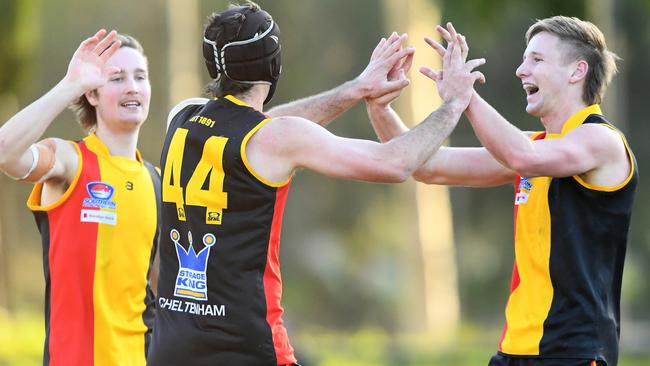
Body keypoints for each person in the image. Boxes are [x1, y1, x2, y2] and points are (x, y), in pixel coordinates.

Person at [147, 2, 485, 365]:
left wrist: (356, 90)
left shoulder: (181, 118)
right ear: (273, 65)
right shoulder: (275, 138)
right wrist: (453, 103)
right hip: (246, 346)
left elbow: (256, 126)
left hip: (171, 348)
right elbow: (396, 163)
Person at [366, 17, 636, 366]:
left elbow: (521, 156)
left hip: (574, 352)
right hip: (515, 351)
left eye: (536, 60)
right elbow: (425, 166)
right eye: (524, 59)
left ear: (577, 71)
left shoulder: (602, 141)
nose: (521, 70)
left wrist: (466, 97)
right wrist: (378, 105)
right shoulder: (534, 147)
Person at [0, 30, 160, 365]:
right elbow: (5, 153)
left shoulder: (155, 180)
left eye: (140, 76)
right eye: (117, 78)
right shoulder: (70, 161)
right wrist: (69, 85)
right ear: (93, 95)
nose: (132, 86)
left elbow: (161, 291)